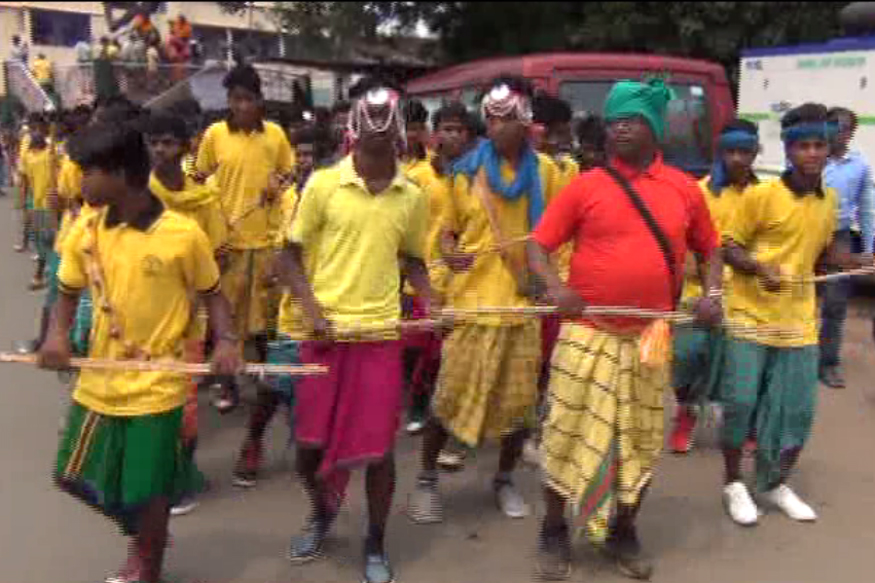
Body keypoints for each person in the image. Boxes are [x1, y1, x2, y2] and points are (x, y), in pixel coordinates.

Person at [528, 78, 722, 581]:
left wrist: (712, 295)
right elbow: (538, 246)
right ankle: (553, 531)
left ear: (654, 129)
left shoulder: (683, 190)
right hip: (586, 333)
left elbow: (711, 249)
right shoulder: (585, 186)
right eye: (614, 122)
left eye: (631, 121)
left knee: (639, 440)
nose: (619, 130)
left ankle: (623, 532)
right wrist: (554, 288)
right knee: (564, 435)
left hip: (651, 339)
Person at [38, 119, 240, 583]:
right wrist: (56, 335)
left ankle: (146, 562)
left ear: (124, 174)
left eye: (90, 171)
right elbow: (67, 290)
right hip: (99, 382)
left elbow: (213, 292)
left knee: (147, 488)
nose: (80, 180)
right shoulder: (85, 230)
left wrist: (227, 342)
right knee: (70, 476)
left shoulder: (182, 234)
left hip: (158, 383)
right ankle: (149, 534)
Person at [283, 83, 434, 583]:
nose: (376, 131)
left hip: (379, 338)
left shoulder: (412, 196)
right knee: (307, 449)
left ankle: (375, 541)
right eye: (367, 120)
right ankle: (322, 509)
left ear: (397, 133)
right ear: (353, 126)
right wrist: (311, 309)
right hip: (325, 335)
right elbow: (290, 255)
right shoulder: (323, 184)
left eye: (385, 122)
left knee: (380, 452)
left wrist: (430, 302)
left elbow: (413, 259)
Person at [408, 75, 559, 525]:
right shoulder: (465, 171)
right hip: (472, 303)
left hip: (522, 306)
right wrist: (450, 248)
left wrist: (551, 284)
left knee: (518, 408)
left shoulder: (548, 173)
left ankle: (504, 479)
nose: (492, 127)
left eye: (503, 120)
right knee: (447, 399)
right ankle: (426, 480)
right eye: (489, 119)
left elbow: (559, 235)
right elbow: (447, 231)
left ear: (524, 123)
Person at [719, 103, 863, 527]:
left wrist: (858, 259)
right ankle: (733, 483)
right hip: (749, 315)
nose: (813, 153)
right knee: (742, 403)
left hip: (798, 322)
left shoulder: (829, 201)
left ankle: (773, 482)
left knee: (795, 411)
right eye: (804, 146)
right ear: (788, 150)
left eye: (820, 145)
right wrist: (758, 267)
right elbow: (728, 247)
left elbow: (822, 256)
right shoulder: (760, 196)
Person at [194, 64, 294, 483]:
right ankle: (229, 383)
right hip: (229, 242)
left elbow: (289, 175)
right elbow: (197, 179)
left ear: (259, 102)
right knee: (228, 319)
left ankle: (260, 380)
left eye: (247, 99)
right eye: (234, 99)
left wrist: (278, 184)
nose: (241, 106)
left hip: (265, 241)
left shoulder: (275, 136)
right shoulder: (215, 136)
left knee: (265, 322)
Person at [145, 111, 229, 515]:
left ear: (185, 147)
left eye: (168, 142)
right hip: (146, 316)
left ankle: (184, 476)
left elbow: (217, 258)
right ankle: (157, 477)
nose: (160, 150)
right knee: (151, 402)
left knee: (188, 406)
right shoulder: (141, 196)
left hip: (190, 318)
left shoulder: (205, 199)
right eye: (154, 142)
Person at [669, 119, 761, 454]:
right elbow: (682, 240)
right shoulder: (698, 191)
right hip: (697, 292)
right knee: (685, 358)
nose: (737, 158)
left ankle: (746, 424)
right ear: (720, 152)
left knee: (740, 367)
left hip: (747, 296)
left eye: (745, 151)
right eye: (730, 151)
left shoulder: (764, 195)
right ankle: (686, 410)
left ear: (756, 153)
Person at [401, 102, 476, 437]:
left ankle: (454, 414)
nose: (452, 135)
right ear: (435, 133)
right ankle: (417, 404)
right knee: (423, 350)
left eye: (459, 130)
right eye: (446, 129)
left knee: (455, 351)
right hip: (424, 275)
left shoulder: (475, 173)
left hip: (465, 278)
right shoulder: (418, 176)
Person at [818, 106, 874, 389]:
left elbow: (866, 208)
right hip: (806, 235)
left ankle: (828, 363)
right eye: (833, 125)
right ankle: (791, 354)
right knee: (795, 293)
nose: (838, 131)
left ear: (852, 132)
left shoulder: (860, 165)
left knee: (836, 302)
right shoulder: (811, 159)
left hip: (839, 237)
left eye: (844, 127)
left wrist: (868, 245)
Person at [17, 112, 57, 291]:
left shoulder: (53, 153)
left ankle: (41, 274)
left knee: (49, 240)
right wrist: (24, 201)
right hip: (40, 203)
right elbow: (25, 179)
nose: (35, 134)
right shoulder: (32, 156)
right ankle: (44, 272)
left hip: (54, 204)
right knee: (44, 240)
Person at [401, 99, 431, 179]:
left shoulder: (434, 161)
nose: (412, 135)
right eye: (409, 129)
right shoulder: (393, 163)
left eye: (419, 129)